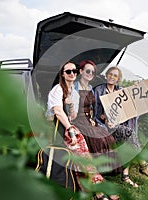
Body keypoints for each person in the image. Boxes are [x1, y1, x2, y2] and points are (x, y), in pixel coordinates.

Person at [45, 61, 118, 200]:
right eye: (68, 71)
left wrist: (71, 105)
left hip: (67, 128)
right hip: (56, 130)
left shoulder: (75, 93)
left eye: (73, 71)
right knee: (82, 152)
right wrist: (71, 129)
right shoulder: (57, 90)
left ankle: (93, 191)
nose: (72, 73)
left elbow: (72, 116)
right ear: (62, 74)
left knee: (82, 157)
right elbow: (58, 113)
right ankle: (99, 190)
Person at [94, 66, 148, 184]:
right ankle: (143, 165)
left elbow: (132, 103)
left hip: (119, 126)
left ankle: (126, 176)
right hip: (106, 127)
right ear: (106, 75)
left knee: (128, 136)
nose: (112, 77)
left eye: (115, 75)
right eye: (110, 74)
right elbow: (96, 113)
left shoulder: (121, 90)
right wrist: (104, 120)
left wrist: (137, 87)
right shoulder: (99, 90)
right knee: (129, 134)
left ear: (118, 79)